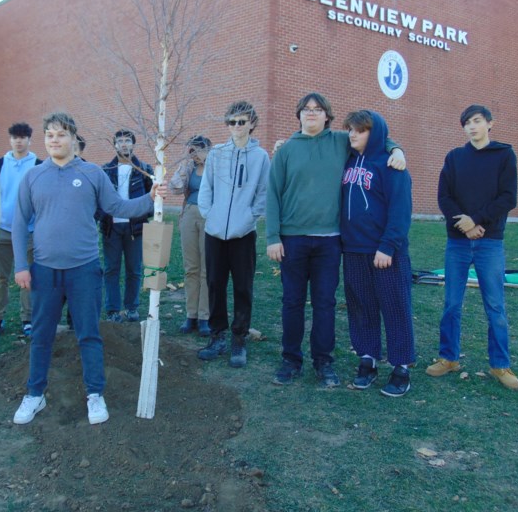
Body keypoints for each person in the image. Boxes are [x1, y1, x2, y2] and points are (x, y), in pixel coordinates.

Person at [12, 112, 167, 425]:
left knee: (88, 334)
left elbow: (117, 208)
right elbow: (18, 223)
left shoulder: (93, 174)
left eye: (61, 134)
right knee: (41, 335)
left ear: (73, 138)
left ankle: (95, 394)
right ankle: (34, 394)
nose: (55, 140)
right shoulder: (33, 176)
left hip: (84, 270)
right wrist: (20, 266)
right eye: (50, 135)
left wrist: (150, 198)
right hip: (45, 270)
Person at [267, 93, 405, 387]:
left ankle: (324, 362)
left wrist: (397, 149)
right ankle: (290, 360)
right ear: (299, 115)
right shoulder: (286, 150)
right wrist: (272, 236)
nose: (312, 113)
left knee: (325, 303)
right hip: (292, 240)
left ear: (327, 116)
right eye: (306, 109)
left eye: (318, 110)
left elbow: (374, 137)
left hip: (330, 242)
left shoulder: (341, 141)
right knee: (292, 302)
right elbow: (272, 194)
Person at [427, 104, 518, 390]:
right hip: (457, 242)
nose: (472, 126)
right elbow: (444, 197)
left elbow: (508, 197)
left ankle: (500, 365)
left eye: (477, 121)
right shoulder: (455, 158)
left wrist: (477, 220)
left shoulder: (504, 155)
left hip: (489, 242)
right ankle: (449, 358)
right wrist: (464, 225)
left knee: (495, 306)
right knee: (451, 303)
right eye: (467, 122)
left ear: (490, 124)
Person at [340, 110, 416, 396]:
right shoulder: (347, 159)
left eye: (359, 130)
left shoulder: (391, 164)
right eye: (350, 130)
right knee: (361, 307)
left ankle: (401, 367)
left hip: (385, 252)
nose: (352, 134)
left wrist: (387, 246)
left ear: (375, 133)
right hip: (353, 249)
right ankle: (367, 359)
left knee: (395, 308)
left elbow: (400, 210)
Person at [197, 101, 270, 368]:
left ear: (251, 123)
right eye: (232, 122)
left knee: (242, 286)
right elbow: (207, 187)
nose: (237, 127)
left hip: (243, 233)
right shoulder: (217, 153)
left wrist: (250, 216)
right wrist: (209, 213)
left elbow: (263, 191)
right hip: (215, 231)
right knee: (215, 283)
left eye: (242, 121)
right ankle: (217, 335)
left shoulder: (260, 156)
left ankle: (239, 338)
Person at [0, 122, 42, 338]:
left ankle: (27, 320)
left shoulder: (38, 165)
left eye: (23, 137)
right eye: (15, 137)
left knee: (26, 277)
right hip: (1, 230)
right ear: (10, 139)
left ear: (29, 139)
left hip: (28, 232)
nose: (19, 141)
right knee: (1, 277)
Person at [98, 129, 154, 323]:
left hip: (134, 229)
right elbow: (99, 199)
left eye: (127, 141)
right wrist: (100, 217)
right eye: (120, 141)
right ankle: (113, 309)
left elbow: (152, 198)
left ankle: (132, 307)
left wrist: (145, 216)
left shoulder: (144, 169)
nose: (123, 144)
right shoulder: (105, 171)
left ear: (133, 144)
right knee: (111, 269)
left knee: (134, 269)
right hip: (111, 227)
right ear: (114, 145)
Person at [168, 135, 213, 337]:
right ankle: (191, 314)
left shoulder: (215, 168)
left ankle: (204, 316)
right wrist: (183, 165)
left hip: (209, 217)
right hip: (189, 215)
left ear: (208, 149)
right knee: (191, 268)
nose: (195, 155)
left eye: (198, 150)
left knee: (206, 269)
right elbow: (174, 188)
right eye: (192, 151)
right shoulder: (189, 168)